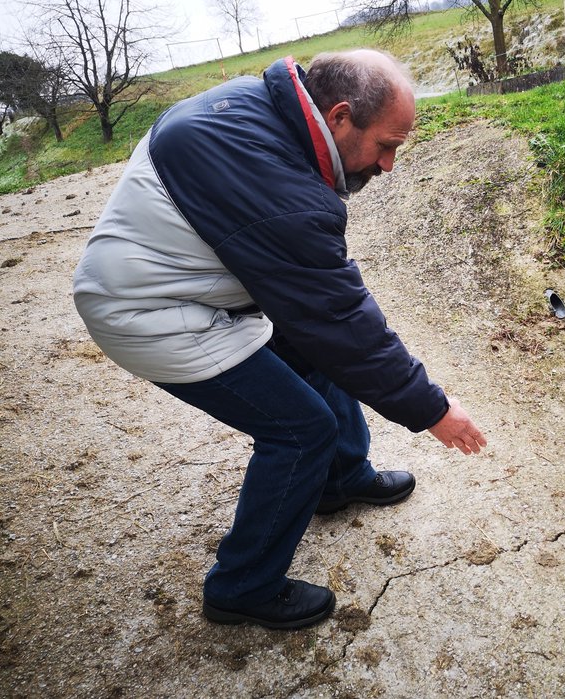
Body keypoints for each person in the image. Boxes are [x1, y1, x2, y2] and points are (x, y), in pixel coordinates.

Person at [72, 49, 486, 630]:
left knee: (303, 345)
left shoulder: (264, 109)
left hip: (183, 286)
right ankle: (243, 586)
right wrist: (434, 409)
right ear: (339, 116)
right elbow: (341, 321)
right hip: (148, 310)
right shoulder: (276, 183)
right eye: (387, 145)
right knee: (299, 429)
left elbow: (318, 321)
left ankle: (340, 480)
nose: (389, 165)